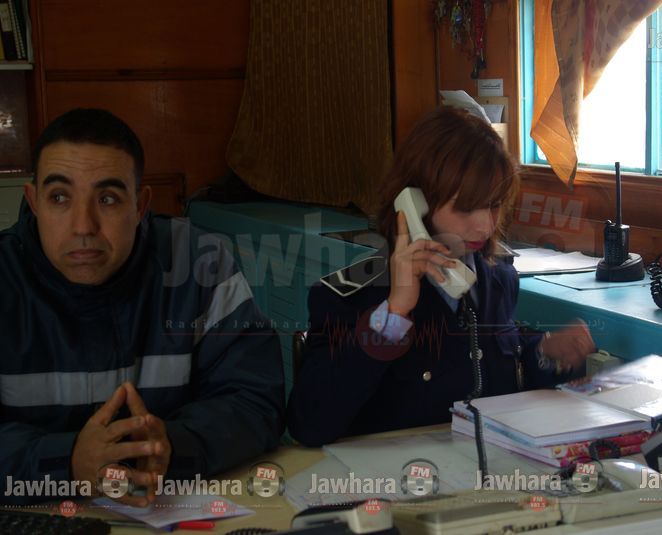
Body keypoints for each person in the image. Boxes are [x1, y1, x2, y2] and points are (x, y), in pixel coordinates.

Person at [0, 108, 285, 505]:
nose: (83, 226)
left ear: (140, 205)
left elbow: (255, 400)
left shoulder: (199, 263)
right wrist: (68, 462)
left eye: (108, 199)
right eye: (60, 197)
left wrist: (172, 447)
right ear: (33, 202)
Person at [287, 106, 596, 447]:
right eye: (465, 208)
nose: (485, 226)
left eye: (494, 205)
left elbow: (499, 374)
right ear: (414, 202)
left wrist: (547, 353)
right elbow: (309, 425)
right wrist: (394, 313)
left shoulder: (498, 276)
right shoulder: (349, 295)